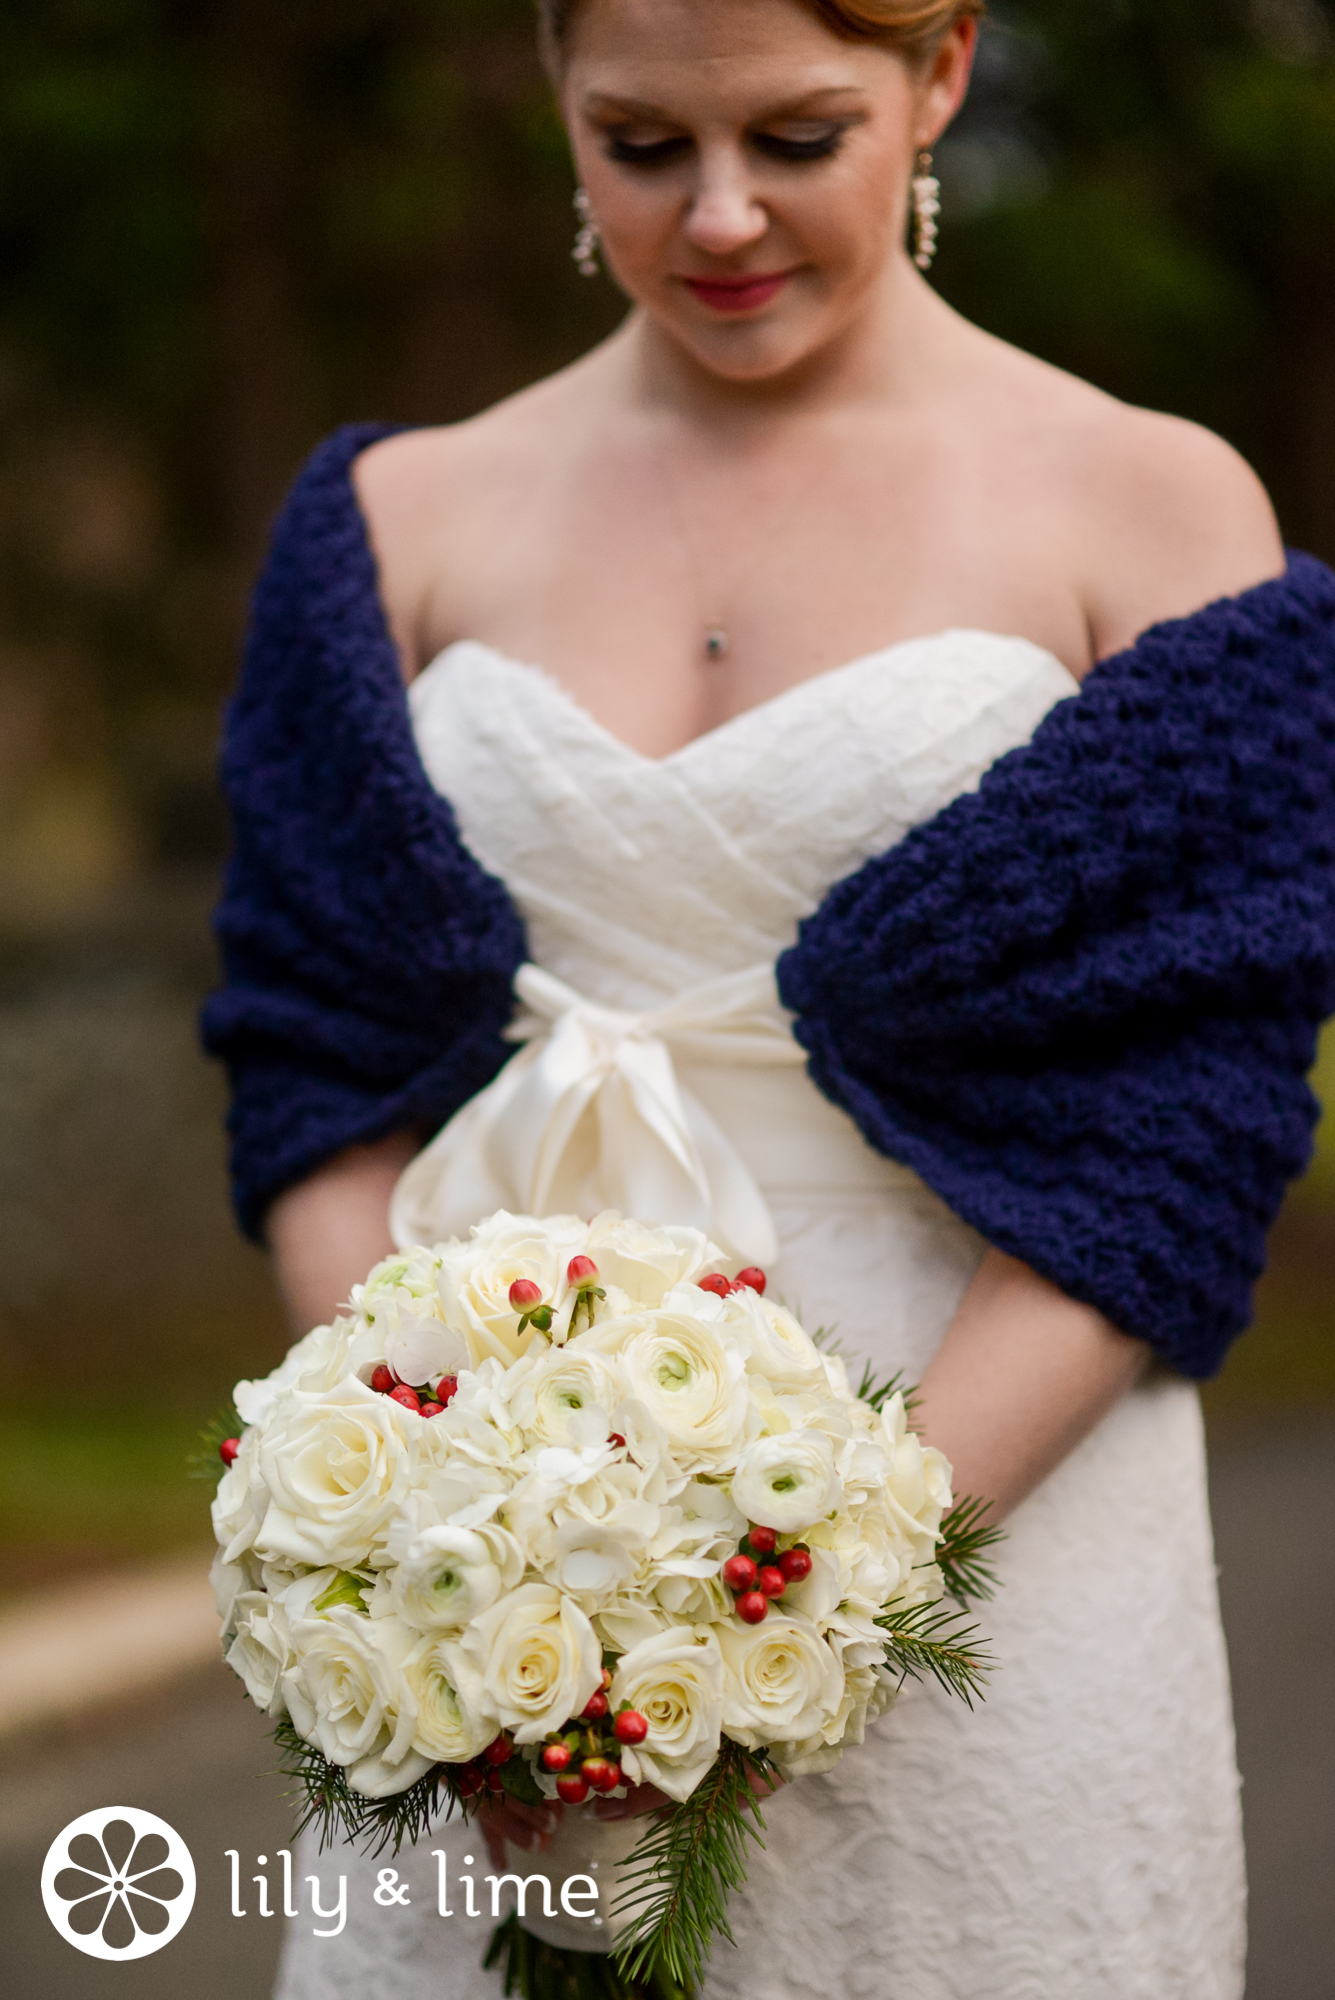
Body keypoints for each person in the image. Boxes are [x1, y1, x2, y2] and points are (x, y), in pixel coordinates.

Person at [203, 2, 1335, 1995]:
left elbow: (1184, 1123)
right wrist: (418, 1520)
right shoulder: (395, 520)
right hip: (493, 1570)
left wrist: (799, 1594)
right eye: (640, 144)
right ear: (552, 87)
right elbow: (313, 1057)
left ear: (943, 73)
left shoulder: (1153, 504)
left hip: (990, 1535)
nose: (718, 215)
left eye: (795, 138)